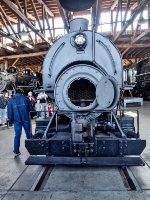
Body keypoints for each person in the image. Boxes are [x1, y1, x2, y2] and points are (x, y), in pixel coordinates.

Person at [7, 88, 33, 158]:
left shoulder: (11, 100)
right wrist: (32, 115)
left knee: (17, 135)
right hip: (26, 118)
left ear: (15, 93)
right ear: (21, 92)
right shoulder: (25, 98)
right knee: (29, 134)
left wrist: (10, 121)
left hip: (16, 120)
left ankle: (16, 151)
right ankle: (32, 150)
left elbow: (10, 112)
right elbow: (31, 108)